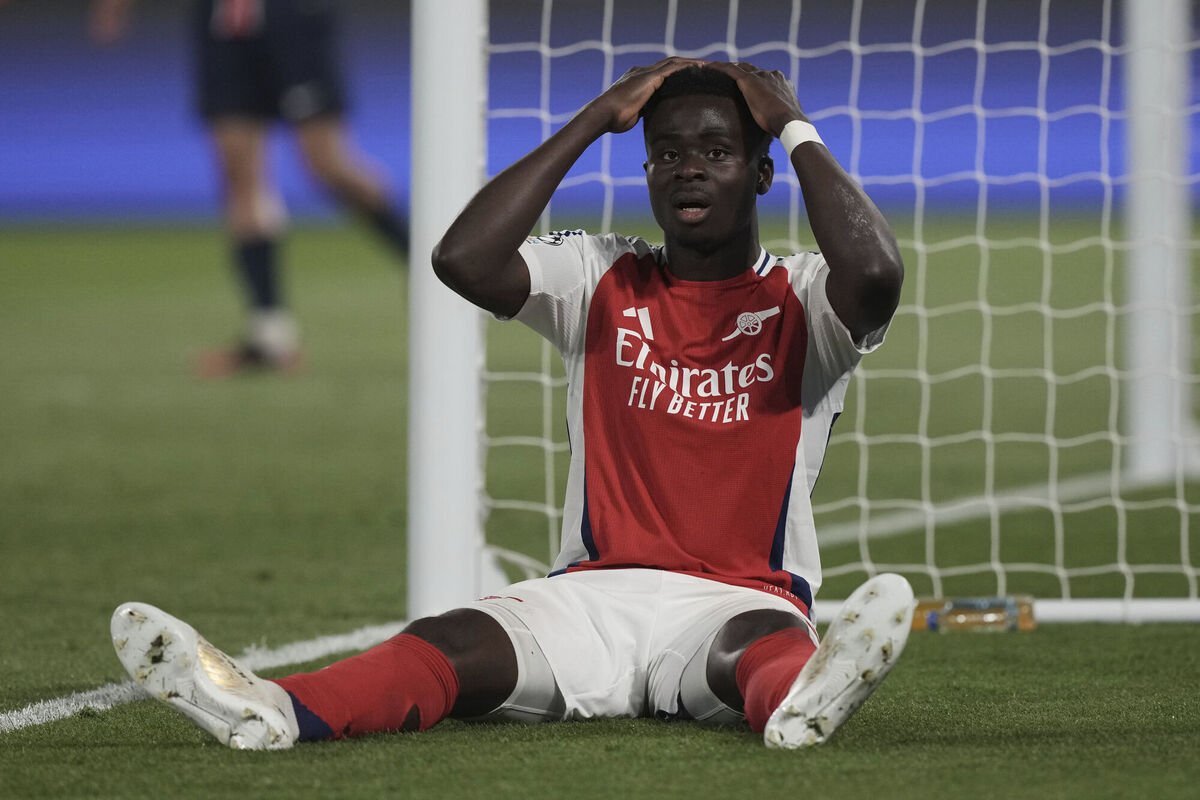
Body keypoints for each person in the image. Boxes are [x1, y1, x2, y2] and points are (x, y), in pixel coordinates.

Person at [110, 58, 913, 750]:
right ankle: (272, 708)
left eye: (716, 151)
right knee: (447, 642)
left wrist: (796, 125)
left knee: (754, 655)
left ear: (763, 173)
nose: (688, 169)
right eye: (666, 153)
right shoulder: (602, 277)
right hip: (588, 598)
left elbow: (877, 276)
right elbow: (462, 258)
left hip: (740, 600)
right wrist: (594, 119)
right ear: (646, 174)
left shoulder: (805, 298)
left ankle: (806, 696)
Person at [90, 0, 409, 376]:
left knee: (327, 164)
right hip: (224, 21)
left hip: (290, 16)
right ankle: (270, 336)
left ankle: (428, 265)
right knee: (239, 175)